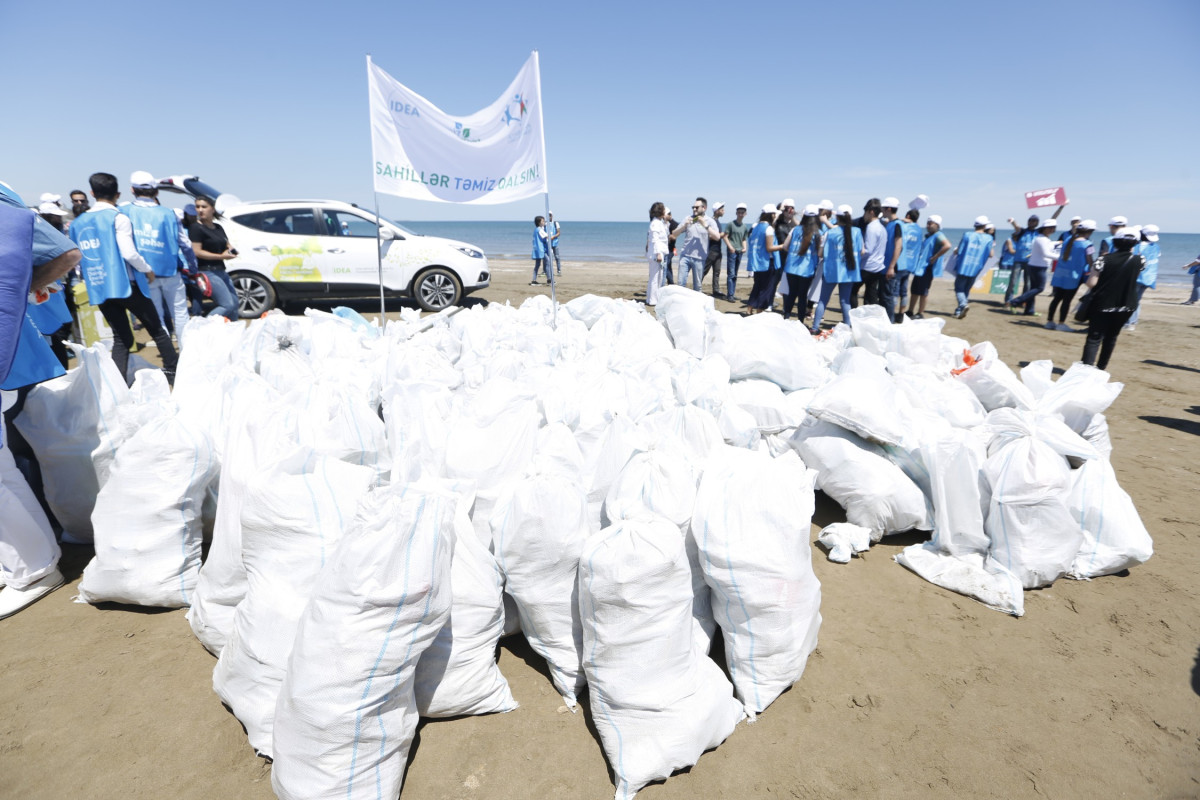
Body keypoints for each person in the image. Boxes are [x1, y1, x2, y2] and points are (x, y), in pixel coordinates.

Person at [0, 182, 77, 619]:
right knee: (4, 469)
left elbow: (64, 253)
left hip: (9, 354)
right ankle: (28, 561)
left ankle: (33, 568)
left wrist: (18, 294)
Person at [70, 172, 178, 384]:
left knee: (121, 337)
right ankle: (174, 372)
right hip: (125, 285)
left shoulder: (77, 224)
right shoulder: (118, 218)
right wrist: (147, 269)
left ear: (92, 193)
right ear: (118, 194)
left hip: (99, 286)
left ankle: (118, 384)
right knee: (157, 330)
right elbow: (129, 253)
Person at [124, 171, 190, 345]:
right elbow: (185, 244)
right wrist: (193, 267)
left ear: (132, 190)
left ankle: (169, 355)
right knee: (181, 314)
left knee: (157, 317)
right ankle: (186, 351)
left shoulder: (124, 212)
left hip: (143, 274)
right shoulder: (170, 213)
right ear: (156, 191)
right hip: (171, 271)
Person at [1080, 228, 1145, 370]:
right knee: (1112, 337)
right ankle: (1101, 368)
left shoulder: (1103, 259)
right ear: (1135, 243)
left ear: (1115, 242)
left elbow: (1091, 283)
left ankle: (1086, 370)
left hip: (1103, 303)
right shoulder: (1140, 260)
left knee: (1094, 337)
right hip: (1127, 304)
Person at [811, 205, 863, 333]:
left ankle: (815, 327)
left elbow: (820, 253)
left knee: (823, 300)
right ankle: (847, 327)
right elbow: (862, 251)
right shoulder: (857, 231)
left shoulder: (830, 233)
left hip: (831, 270)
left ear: (837, 217)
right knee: (845, 301)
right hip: (849, 271)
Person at [188, 195, 241, 319]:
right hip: (207, 272)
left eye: (204, 207)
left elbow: (227, 244)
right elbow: (197, 252)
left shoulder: (218, 227)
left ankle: (233, 328)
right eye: (197, 207)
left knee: (235, 303)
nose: (200, 210)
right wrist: (220, 256)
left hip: (221, 270)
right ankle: (203, 326)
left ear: (212, 209)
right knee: (227, 305)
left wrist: (231, 251)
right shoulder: (196, 228)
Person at [1046, 219, 1095, 330]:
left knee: (1057, 298)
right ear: (1089, 231)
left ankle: (1049, 321)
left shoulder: (1068, 239)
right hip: (1073, 276)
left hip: (1060, 274)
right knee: (1067, 300)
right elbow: (1090, 261)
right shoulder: (1088, 244)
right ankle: (1061, 323)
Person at [1008, 218, 1058, 316]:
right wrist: (1062, 257)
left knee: (1033, 288)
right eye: (1049, 228)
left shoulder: (1043, 238)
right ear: (1044, 228)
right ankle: (1015, 301)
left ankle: (1029, 310)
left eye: (1053, 228)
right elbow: (1046, 253)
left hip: (1037, 266)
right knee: (1040, 288)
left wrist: (1057, 243)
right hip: (1038, 267)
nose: (1052, 230)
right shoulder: (1042, 239)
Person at [780, 205, 822, 321]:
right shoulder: (818, 232)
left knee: (791, 293)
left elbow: (785, 246)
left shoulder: (795, 229)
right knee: (802, 296)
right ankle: (800, 321)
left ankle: (786, 317)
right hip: (807, 269)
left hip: (791, 267)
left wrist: (793, 252)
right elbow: (820, 252)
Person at [670, 197, 720, 292]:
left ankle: (696, 302)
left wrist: (705, 225)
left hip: (699, 258)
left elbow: (717, 237)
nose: (694, 209)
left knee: (697, 287)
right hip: (685, 256)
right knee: (680, 284)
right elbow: (674, 234)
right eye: (693, 207)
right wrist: (684, 225)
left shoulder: (710, 221)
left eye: (696, 207)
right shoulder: (688, 218)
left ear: (704, 208)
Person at [951, 216, 996, 319]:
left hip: (963, 266)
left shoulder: (967, 235)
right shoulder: (989, 238)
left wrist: (955, 251)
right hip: (976, 267)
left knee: (959, 288)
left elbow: (960, 250)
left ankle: (963, 305)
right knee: (966, 289)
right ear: (985, 226)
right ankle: (959, 311)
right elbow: (991, 254)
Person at [907, 215, 951, 320]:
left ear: (937, 225)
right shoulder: (929, 236)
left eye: (931, 223)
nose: (928, 225)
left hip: (927, 268)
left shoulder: (938, 235)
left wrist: (935, 257)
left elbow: (947, 245)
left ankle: (920, 313)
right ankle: (910, 311)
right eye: (928, 223)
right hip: (921, 267)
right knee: (915, 290)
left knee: (923, 292)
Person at [745, 204, 784, 314]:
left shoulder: (755, 227)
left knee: (757, 286)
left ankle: (749, 309)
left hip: (757, 262)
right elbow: (769, 248)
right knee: (766, 288)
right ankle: (759, 311)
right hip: (767, 262)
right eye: (774, 214)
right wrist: (783, 246)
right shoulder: (768, 229)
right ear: (771, 215)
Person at [1125, 224, 1160, 331]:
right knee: (1137, 299)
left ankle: (1129, 322)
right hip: (1149, 278)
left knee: (1131, 299)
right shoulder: (1156, 247)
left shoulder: (1138, 246)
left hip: (1137, 277)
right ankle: (1133, 321)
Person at [891, 208, 922, 322]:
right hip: (911, 263)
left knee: (895, 290)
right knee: (904, 291)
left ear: (908, 216)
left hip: (901, 262)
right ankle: (901, 314)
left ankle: (892, 313)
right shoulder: (919, 229)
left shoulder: (903, 226)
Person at [722, 203, 750, 300]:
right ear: (736, 213)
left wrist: (745, 248)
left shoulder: (744, 226)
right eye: (739, 212)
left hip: (740, 252)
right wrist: (730, 247)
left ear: (745, 214)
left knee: (735, 274)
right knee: (731, 273)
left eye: (742, 213)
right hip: (732, 251)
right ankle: (730, 295)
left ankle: (732, 294)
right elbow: (725, 237)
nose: (740, 214)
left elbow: (744, 238)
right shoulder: (731, 224)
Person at [645, 202, 668, 307]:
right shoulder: (656, 223)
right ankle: (653, 300)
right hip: (656, 254)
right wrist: (658, 253)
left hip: (657, 253)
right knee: (655, 278)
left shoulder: (658, 222)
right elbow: (655, 239)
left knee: (656, 277)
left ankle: (650, 298)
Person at [702, 202, 725, 298]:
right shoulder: (711, 221)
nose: (723, 211)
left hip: (718, 250)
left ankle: (716, 290)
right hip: (711, 250)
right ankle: (697, 287)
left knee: (717, 272)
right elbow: (709, 236)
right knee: (704, 270)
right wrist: (721, 235)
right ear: (716, 211)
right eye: (722, 209)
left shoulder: (717, 221)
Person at [529, 215, 549, 285]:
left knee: (537, 265)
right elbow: (547, 236)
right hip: (541, 249)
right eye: (543, 221)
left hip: (536, 249)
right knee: (548, 262)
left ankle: (534, 280)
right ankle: (549, 279)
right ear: (539, 222)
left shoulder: (536, 230)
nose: (544, 222)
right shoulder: (540, 230)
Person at [663, 208, 678, 286]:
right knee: (668, 267)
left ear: (670, 215)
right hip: (665, 249)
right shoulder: (664, 223)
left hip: (670, 249)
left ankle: (671, 283)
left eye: (665, 215)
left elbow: (674, 236)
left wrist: (667, 236)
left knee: (665, 266)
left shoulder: (674, 224)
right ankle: (670, 283)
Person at [546, 211, 562, 276]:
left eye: (550, 215)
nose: (549, 216)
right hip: (548, 243)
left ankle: (559, 270)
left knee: (557, 257)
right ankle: (548, 271)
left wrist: (553, 237)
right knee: (548, 258)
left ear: (552, 216)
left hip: (555, 243)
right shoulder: (545, 223)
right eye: (548, 215)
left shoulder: (556, 223)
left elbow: (559, 233)